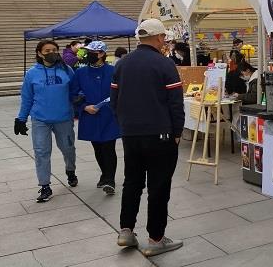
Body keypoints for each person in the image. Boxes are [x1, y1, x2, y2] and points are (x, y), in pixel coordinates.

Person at [110, 18, 185, 256]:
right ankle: (156, 238)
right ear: (159, 37)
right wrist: (177, 132)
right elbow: (175, 103)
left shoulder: (122, 64)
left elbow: (114, 101)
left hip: (131, 134)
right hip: (160, 134)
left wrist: (125, 124)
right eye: (164, 37)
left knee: (132, 182)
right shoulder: (164, 64)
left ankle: (126, 230)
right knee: (158, 186)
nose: (165, 41)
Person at [14, 40, 78, 202]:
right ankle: (45, 185)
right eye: (47, 50)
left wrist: (79, 100)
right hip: (40, 120)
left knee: (68, 148)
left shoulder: (67, 70)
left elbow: (76, 91)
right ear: (39, 53)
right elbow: (27, 98)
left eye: (54, 50)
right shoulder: (31, 73)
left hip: (63, 118)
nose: (51, 53)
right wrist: (21, 118)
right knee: (41, 152)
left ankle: (70, 170)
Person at [72, 41, 121, 195]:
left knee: (108, 146)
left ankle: (110, 180)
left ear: (101, 54)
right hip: (90, 115)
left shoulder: (113, 71)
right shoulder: (80, 73)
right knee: (98, 147)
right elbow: (73, 94)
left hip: (109, 115)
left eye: (91, 52)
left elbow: (121, 92)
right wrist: (84, 107)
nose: (87, 55)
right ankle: (104, 174)